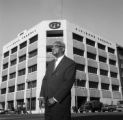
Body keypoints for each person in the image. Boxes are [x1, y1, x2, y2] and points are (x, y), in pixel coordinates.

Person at [39, 41, 76, 120]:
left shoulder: (70, 63)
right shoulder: (50, 64)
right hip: (48, 102)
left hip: (61, 103)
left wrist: (55, 98)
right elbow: (45, 80)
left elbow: (68, 82)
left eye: (55, 46)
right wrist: (42, 95)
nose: (52, 48)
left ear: (62, 49)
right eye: (52, 47)